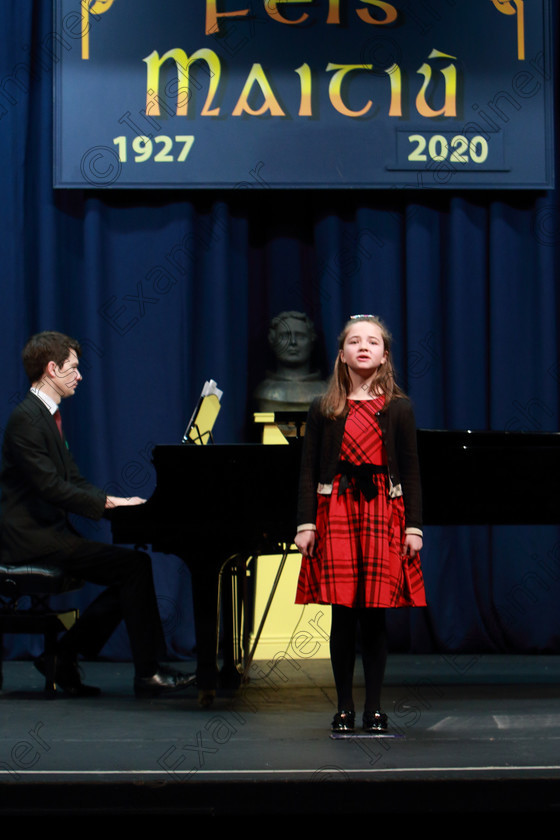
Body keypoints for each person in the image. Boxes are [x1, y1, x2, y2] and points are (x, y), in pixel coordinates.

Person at [0, 331, 194, 698]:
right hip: (30, 539)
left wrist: (117, 502)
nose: (80, 376)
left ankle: (64, 656)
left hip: (49, 534)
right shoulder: (27, 419)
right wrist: (112, 505)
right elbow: (52, 489)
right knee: (133, 567)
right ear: (52, 369)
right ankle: (146, 672)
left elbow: (72, 480)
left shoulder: (47, 417)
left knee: (131, 569)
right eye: (73, 368)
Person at [294, 315, 426, 734]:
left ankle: (373, 708)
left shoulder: (398, 408)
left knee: (374, 615)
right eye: (354, 341)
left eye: (372, 342)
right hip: (337, 514)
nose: (363, 347)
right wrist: (305, 523)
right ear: (342, 354)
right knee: (342, 614)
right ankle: (345, 708)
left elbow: (411, 470)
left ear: (385, 355)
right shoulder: (324, 408)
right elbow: (308, 469)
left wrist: (414, 527)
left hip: (383, 514)